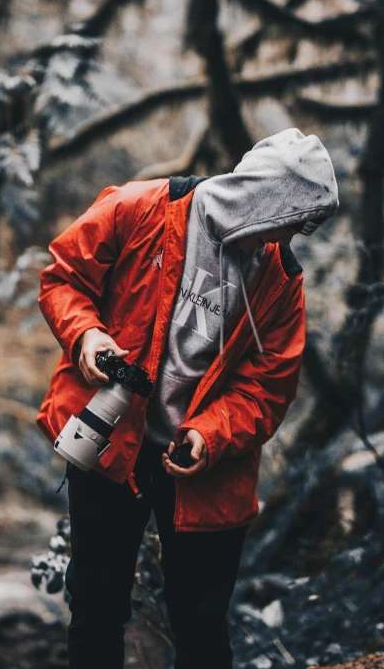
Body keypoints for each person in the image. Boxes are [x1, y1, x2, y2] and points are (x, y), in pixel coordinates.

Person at [35, 127, 339, 669]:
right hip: (109, 442)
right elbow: (64, 278)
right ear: (265, 199)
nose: (294, 235)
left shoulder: (280, 282)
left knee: (200, 625)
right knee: (96, 610)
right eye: (296, 219)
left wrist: (208, 432)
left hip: (205, 469)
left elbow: (267, 387)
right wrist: (85, 335)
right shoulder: (139, 207)